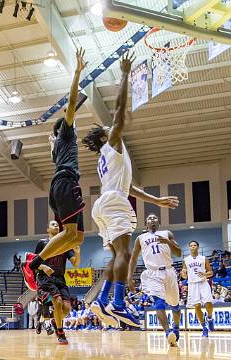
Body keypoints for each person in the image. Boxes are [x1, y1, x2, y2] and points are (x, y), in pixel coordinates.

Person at [82, 52, 179, 328]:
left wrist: (156, 200)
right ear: (104, 135)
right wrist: (124, 74)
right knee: (124, 254)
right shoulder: (110, 141)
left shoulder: (108, 156)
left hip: (105, 202)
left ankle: (102, 300)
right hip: (113, 202)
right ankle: (119, 303)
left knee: (117, 256)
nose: (110, 127)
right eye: (107, 128)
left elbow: (129, 187)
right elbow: (120, 113)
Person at [21, 48, 87, 291]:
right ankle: (35, 263)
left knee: (77, 237)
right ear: (66, 128)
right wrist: (77, 73)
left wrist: (52, 140)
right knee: (70, 232)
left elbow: (52, 150)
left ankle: (40, 260)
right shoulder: (66, 135)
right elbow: (71, 103)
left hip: (64, 185)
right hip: (65, 183)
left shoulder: (58, 146)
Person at [128, 213, 181, 346]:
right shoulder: (140, 238)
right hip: (153, 273)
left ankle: (176, 327)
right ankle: (168, 332)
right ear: (146, 224)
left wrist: (168, 242)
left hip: (169, 271)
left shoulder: (167, 233)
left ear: (159, 222)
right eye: (149, 218)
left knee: (175, 306)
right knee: (159, 303)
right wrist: (129, 277)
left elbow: (179, 253)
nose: (152, 219)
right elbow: (133, 258)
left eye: (155, 218)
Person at [35, 220, 80, 345]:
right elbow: (33, 263)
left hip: (60, 279)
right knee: (57, 301)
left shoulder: (65, 245)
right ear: (48, 229)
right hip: (46, 278)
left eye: (57, 225)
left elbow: (75, 263)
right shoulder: (42, 243)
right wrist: (43, 267)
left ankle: (56, 321)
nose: (56, 226)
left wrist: (77, 251)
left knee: (66, 308)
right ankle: (60, 333)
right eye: (53, 224)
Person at [182, 241, 214, 337]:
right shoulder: (185, 260)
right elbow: (184, 275)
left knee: (208, 303)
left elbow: (211, 273)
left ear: (198, 247)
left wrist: (205, 274)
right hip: (192, 284)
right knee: (197, 306)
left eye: (194, 245)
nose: (193, 247)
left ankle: (210, 318)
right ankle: (204, 327)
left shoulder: (204, 259)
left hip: (203, 282)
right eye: (191, 246)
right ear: (189, 248)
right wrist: (183, 274)